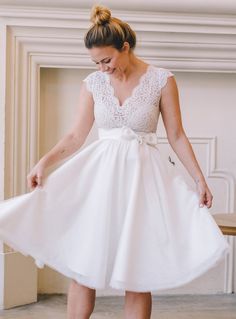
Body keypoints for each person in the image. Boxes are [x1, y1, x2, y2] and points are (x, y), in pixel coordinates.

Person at [0, 4, 230, 319]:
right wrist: (43, 162)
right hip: (99, 181)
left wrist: (199, 179)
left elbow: (176, 135)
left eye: (106, 60)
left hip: (143, 183)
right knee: (83, 267)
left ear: (125, 48)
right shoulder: (93, 84)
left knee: (137, 271)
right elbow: (75, 137)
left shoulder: (161, 80)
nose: (102, 68)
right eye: (95, 62)